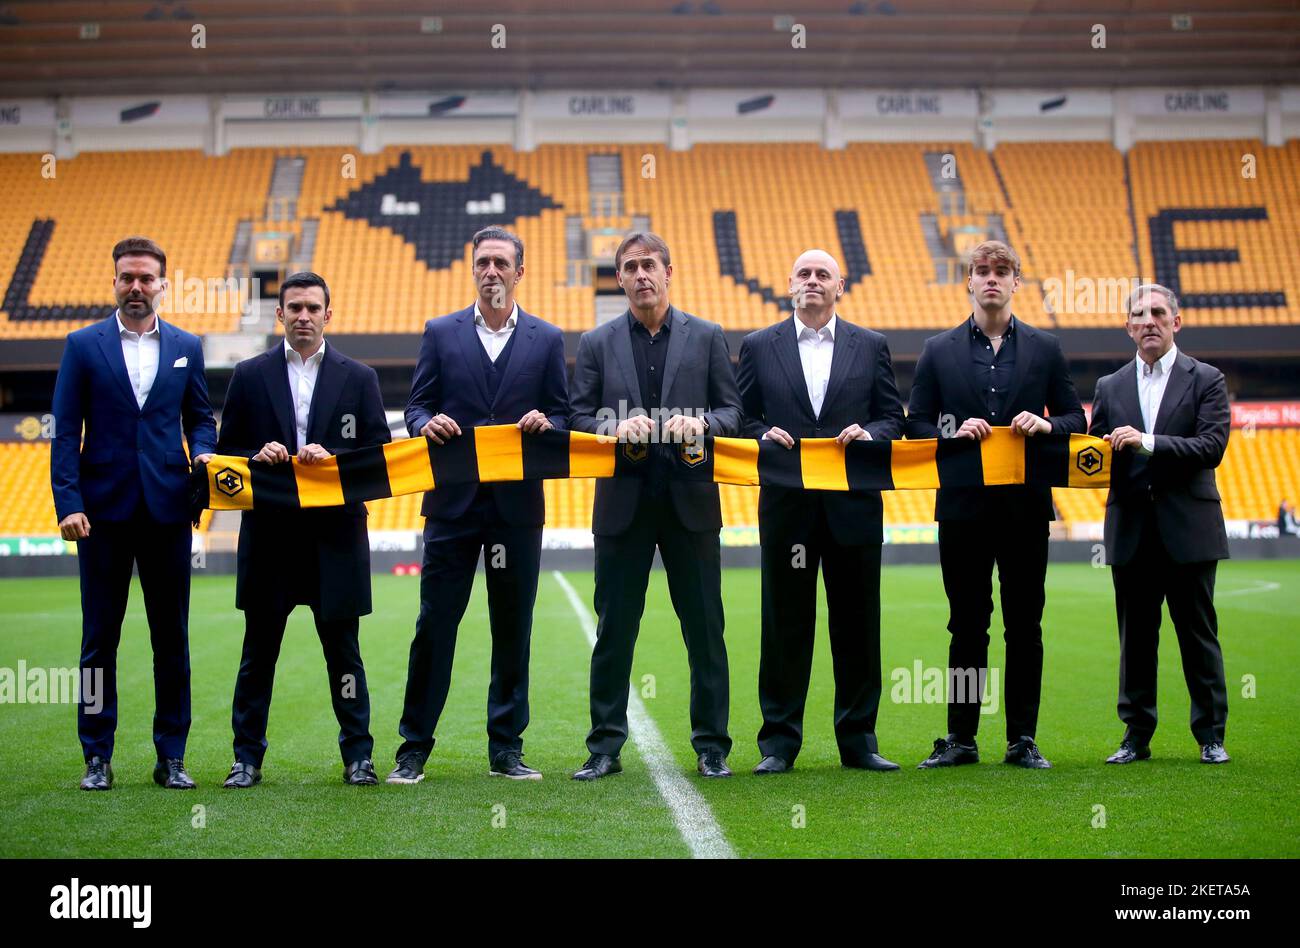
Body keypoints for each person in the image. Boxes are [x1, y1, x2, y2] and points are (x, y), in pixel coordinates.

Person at [388, 226, 569, 784]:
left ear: (520, 271)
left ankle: (506, 749)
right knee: (434, 625)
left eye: (500, 263)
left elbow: (564, 416)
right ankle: (413, 747)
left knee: (512, 628)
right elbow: (415, 407)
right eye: (482, 263)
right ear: (472, 269)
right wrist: (425, 422)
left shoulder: (546, 338)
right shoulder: (440, 333)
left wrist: (548, 423)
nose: (490, 271)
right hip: (452, 506)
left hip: (516, 507)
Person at [568, 231, 743, 780]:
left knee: (705, 630)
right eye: (631, 267)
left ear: (670, 271)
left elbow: (733, 412)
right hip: (623, 504)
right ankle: (604, 746)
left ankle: (712, 745)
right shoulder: (595, 342)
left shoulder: (709, 335)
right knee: (614, 629)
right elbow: (577, 416)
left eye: (650, 265)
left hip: (690, 502)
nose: (642, 274)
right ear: (618, 278)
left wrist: (705, 424)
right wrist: (612, 427)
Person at [905, 240, 1085, 770]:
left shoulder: (1046, 348)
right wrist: (953, 430)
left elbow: (1078, 419)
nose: (991, 279)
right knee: (966, 623)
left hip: (1026, 507)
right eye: (981, 271)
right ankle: (961, 738)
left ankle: (1022, 739)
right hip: (962, 508)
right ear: (968, 281)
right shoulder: (937, 349)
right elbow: (915, 424)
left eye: (1001, 271)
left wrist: (1049, 425)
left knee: (1025, 624)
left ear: (1016, 282)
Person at [50, 236, 217, 791]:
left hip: (168, 508)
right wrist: (68, 503)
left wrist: (205, 454)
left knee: (172, 638)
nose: (137, 287)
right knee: (100, 637)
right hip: (101, 513)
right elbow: (63, 430)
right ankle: (96, 756)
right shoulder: (82, 345)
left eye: (147, 278)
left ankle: (171, 755)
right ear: (114, 281)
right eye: (128, 277)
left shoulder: (187, 345)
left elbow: (200, 417)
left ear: (163, 284)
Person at [215, 271, 391, 788]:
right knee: (258, 657)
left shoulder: (360, 377)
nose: (304, 316)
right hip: (270, 537)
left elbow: (377, 457)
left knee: (344, 656)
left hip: (335, 538)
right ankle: (246, 758)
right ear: (280, 315)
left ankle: (358, 756)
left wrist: (332, 458)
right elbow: (226, 456)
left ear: (328, 315)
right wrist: (255, 456)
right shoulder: (248, 375)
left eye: (313, 308)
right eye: (294, 307)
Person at [736, 249, 905, 774]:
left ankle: (858, 740)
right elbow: (739, 418)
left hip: (853, 510)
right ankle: (779, 744)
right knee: (784, 625)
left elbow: (891, 417)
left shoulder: (871, 344)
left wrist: (870, 434)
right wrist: (760, 434)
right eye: (804, 274)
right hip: (788, 511)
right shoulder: (759, 346)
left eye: (822, 275)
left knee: (857, 626)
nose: (812, 281)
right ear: (789, 284)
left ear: (840, 286)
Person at [1089, 283, 1232, 765]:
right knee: (1136, 638)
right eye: (1138, 314)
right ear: (1128, 326)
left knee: (1198, 634)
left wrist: (1147, 442)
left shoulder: (1207, 378)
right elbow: (1094, 457)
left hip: (1188, 528)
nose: (1148, 320)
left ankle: (1211, 734)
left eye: (1157, 312)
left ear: (1176, 321)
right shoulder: (1109, 387)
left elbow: (1211, 447)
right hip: (1131, 528)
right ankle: (1136, 735)